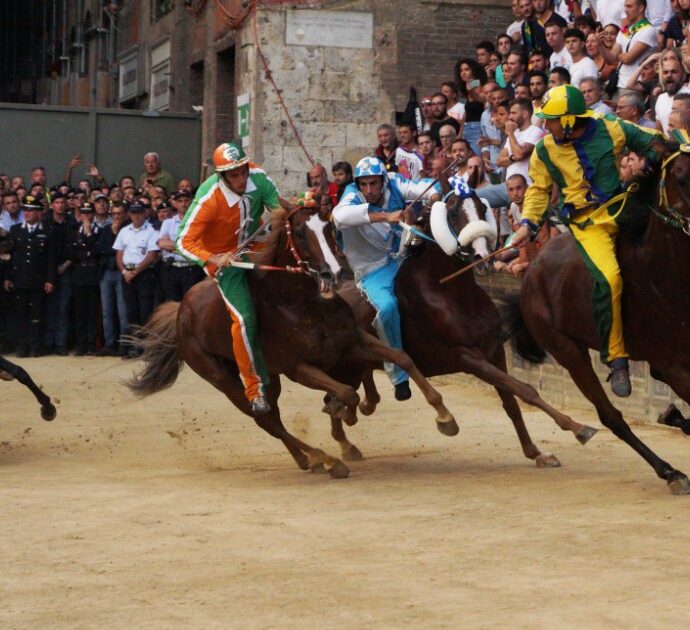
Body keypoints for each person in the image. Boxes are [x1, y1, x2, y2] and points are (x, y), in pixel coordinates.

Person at [511, 85, 667, 397]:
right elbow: (539, 191)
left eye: (552, 120)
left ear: (569, 121)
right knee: (608, 279)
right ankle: (616, 358)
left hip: (627, 207)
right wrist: (528, 222)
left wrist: (644, 165)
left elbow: (656, 143)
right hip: (588, 224)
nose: (546, 125)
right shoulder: (543, 150)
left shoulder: (612, 127)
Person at [177, 142, 286, 415]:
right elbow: (182, 240)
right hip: (226, 262)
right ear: (222, 176)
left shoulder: (258, 177)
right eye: (233, 175)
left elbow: (277, 207)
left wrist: (289, 209)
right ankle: (255, 388)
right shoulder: (208, 197)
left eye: (242, 171)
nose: (240, 179)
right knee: (244, 318)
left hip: (256, 245)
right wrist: (212, 258)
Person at [332, 157, 441, 401]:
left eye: (374, 184)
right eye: (364, 184)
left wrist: (433, 198)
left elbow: (425, 185)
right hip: (372, 270)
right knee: (388, 306)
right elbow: (339, 217)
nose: (369, 190)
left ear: (382, 180)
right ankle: (399, 375)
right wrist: (386, 216)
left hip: (401, 255)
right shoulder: (351, 195)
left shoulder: (392, 181)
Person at [4, 195, 56, 357]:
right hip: (19, 280)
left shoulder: (46, 231)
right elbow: (9, 256)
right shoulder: (16, 230)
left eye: (31, 210)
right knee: (21, 316)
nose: (27, 213)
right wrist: (7, 277)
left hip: (38, 280)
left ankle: (35, 347)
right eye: (25, 210)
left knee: (36, 316)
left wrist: (50, 279)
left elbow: (51, 259)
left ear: (38, 213)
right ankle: (22, 347)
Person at [113, 201, 161, 359]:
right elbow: (119, 254)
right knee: (131, 312)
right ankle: (134, 347)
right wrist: (124, 271)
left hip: (144, 274)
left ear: (145, 213)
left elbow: (152, 255)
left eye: (139, 212)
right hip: (127, 274)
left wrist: (136, 271)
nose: (136, 215)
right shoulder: (124, 231)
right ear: (129, 214)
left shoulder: (152, 231)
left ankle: (146, 348)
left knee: (145, 312)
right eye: (133, 212)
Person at [157, 188, 205, 302]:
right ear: (175, 203)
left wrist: (174, 247)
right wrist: (187, 247)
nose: (183, 203)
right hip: (171, 269)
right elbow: (161, 243)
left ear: (191, 202)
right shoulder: (168, 223)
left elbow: (200, 246)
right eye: (180, 201)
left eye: (186, 200)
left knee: (191, 303)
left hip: (191, 269)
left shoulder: (199, 222)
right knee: (171, 304)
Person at [599, 0, 658, 91]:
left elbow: (628, 59)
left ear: (641, 8)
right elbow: (610, 59)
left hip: (635, 85)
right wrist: (600, 45)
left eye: (629, 6)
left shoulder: (648, 30)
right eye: (625, 6)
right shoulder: (625, 30)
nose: (625, 10)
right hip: (619, 84)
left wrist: (618, 55)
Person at [68, 202, 101, 356]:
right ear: (79, 215)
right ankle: (81, 344)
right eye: (84, 213)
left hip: (92, 274)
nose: (87, 216)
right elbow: (71, 252)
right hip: (78, 274)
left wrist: (88, 234)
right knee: (80, 311)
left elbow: (96, 250)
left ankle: (90, 344)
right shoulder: (74, 230)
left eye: (89, 213)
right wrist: (86, 253)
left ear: (93, 215)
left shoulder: (98, 231)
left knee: (92, 312)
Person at [97, 200, 129, 356]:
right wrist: (113, 232)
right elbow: (101, 249)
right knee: (107, 311)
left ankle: (124, 344)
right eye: (114, 213)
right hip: (106, 273)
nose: (117, 216)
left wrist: (116, 233)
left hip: (122, 272)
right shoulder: (105, 230)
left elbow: (125, 250)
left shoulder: (129, 229)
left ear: (125, 214)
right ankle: (109, 344)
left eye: (119, 213)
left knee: (123, 311)